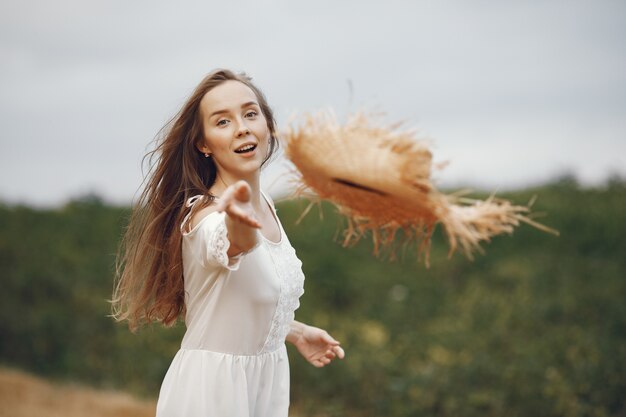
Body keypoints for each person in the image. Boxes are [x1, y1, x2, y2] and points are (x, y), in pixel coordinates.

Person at [112, 69, 345, 417]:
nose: (242, 127)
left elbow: (244, 298)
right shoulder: (204, 218)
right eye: (222, 122)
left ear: (267, 125)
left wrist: (294, 332)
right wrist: (237, 218)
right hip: (211, 396)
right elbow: (235, 243)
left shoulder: (264, 202)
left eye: (250, 114)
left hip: (261, 391)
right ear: (203, 144)